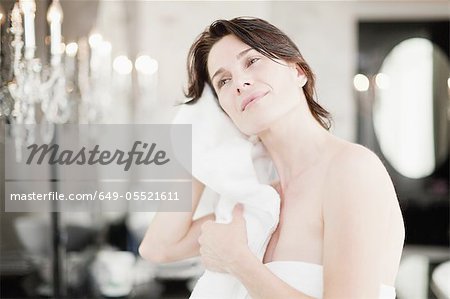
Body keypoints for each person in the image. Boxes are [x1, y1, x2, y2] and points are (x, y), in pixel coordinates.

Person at [139, 17, 405, 299]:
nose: (240, 82)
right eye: (223, 81)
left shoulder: (351, 169)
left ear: (299, 70)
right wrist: (201, 139)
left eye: (252, 61)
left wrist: (240, 263)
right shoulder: (258, 202)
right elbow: (158, 247)